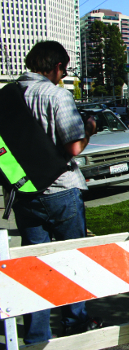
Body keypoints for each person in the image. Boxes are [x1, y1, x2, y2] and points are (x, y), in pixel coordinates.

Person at [12, 41, 102, 343]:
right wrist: (89, 127)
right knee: (71, 259)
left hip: (23, 191)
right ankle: (75, 321)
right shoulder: (56, 95)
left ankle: (37, 333)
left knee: (34, 264)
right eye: (64, 69)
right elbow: (74, 147)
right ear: (56, 67)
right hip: (60, 190)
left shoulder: (7, 96)